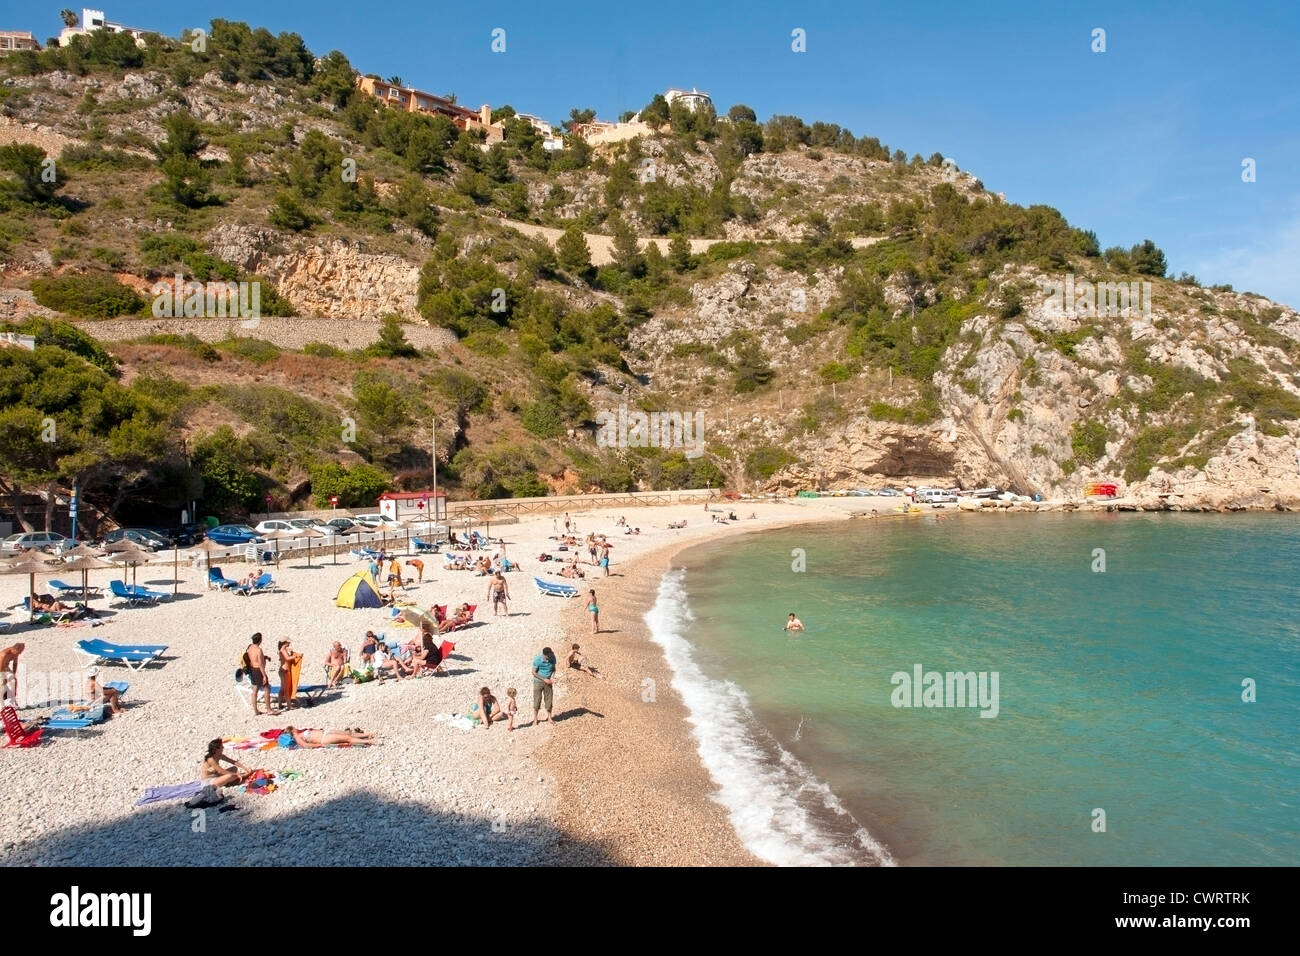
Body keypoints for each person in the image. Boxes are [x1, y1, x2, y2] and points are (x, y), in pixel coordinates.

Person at [243, 633, 275, 716]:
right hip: (258, 670)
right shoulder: (258, 650)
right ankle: (269, 710)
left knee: (254, 690)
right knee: (267, 689)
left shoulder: (249, 648)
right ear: (260, 640)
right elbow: (261, 664)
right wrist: (264, 675)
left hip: (252, 670)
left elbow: (252, 659)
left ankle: (256, 710)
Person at [531, 647, 557, 726]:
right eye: (549, 655)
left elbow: (554, 669)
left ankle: (549, 717)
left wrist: (552, 677)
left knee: (549, 700)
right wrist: (544, 679)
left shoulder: (553, 657)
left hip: (549, 682)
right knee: (537, 700)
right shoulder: (537, 659)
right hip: (538, 682)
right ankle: (535, 719)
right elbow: (533, 672)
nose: (551, 656)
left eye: (551, 654)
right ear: (545, 655)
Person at [284, 726, 377, 747]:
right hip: (324, 739)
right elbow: (306, 745)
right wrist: (319, 745)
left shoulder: (300, 734)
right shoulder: (297, 737)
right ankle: (368, 741)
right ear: (292, 730)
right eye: (294, 728)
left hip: (325, 733)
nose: (296, 728)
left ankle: (367, 734)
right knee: (347, 738)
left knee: (348, 733)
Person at [277, 639, 303, 708]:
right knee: (286, 689)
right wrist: (297, 656)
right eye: (288, 642)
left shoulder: (281, 649)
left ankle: (280, 704)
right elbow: (287, 658)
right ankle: (289, 706)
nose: (289, 643)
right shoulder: (283, 650)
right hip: (285, 670)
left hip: (282, 670)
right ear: (285, 642)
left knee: (282, 688)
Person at [0, 642, 23, 707]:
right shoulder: (4, 654)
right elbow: (0, 667)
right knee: (3, 685)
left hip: (5, 668)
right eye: (19, 652)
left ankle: (12, 700)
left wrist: (14, 674)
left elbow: (15, 663)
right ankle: (3, 703)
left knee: (13, 680)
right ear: (14, 649)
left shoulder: (15, 653)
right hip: (0, 668)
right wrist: (4, 678)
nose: (20, 653)